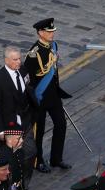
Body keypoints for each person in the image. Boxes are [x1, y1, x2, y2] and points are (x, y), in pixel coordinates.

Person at [25, 18, 71, 173]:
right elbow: (29, 80)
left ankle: (56, 159)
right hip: (39, 98)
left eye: (53, 31)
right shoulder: (34, 54)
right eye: (49, 31)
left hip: (53, 95)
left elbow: (54, 72)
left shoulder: (54, 46)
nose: (52, 33)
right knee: (39, 131)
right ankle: (37, 161)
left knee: (61, 125)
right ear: (40, 33)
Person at [0, 47, 38, 167]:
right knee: (8, 157)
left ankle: (23, 182)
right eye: (15, 59)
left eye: (19, 59)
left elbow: (28, 88)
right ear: (6, 60)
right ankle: (10, 181)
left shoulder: (22, 70)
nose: (19, 62)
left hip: (25, 119)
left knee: (31, 151)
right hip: (8, 124)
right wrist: (0, 130)